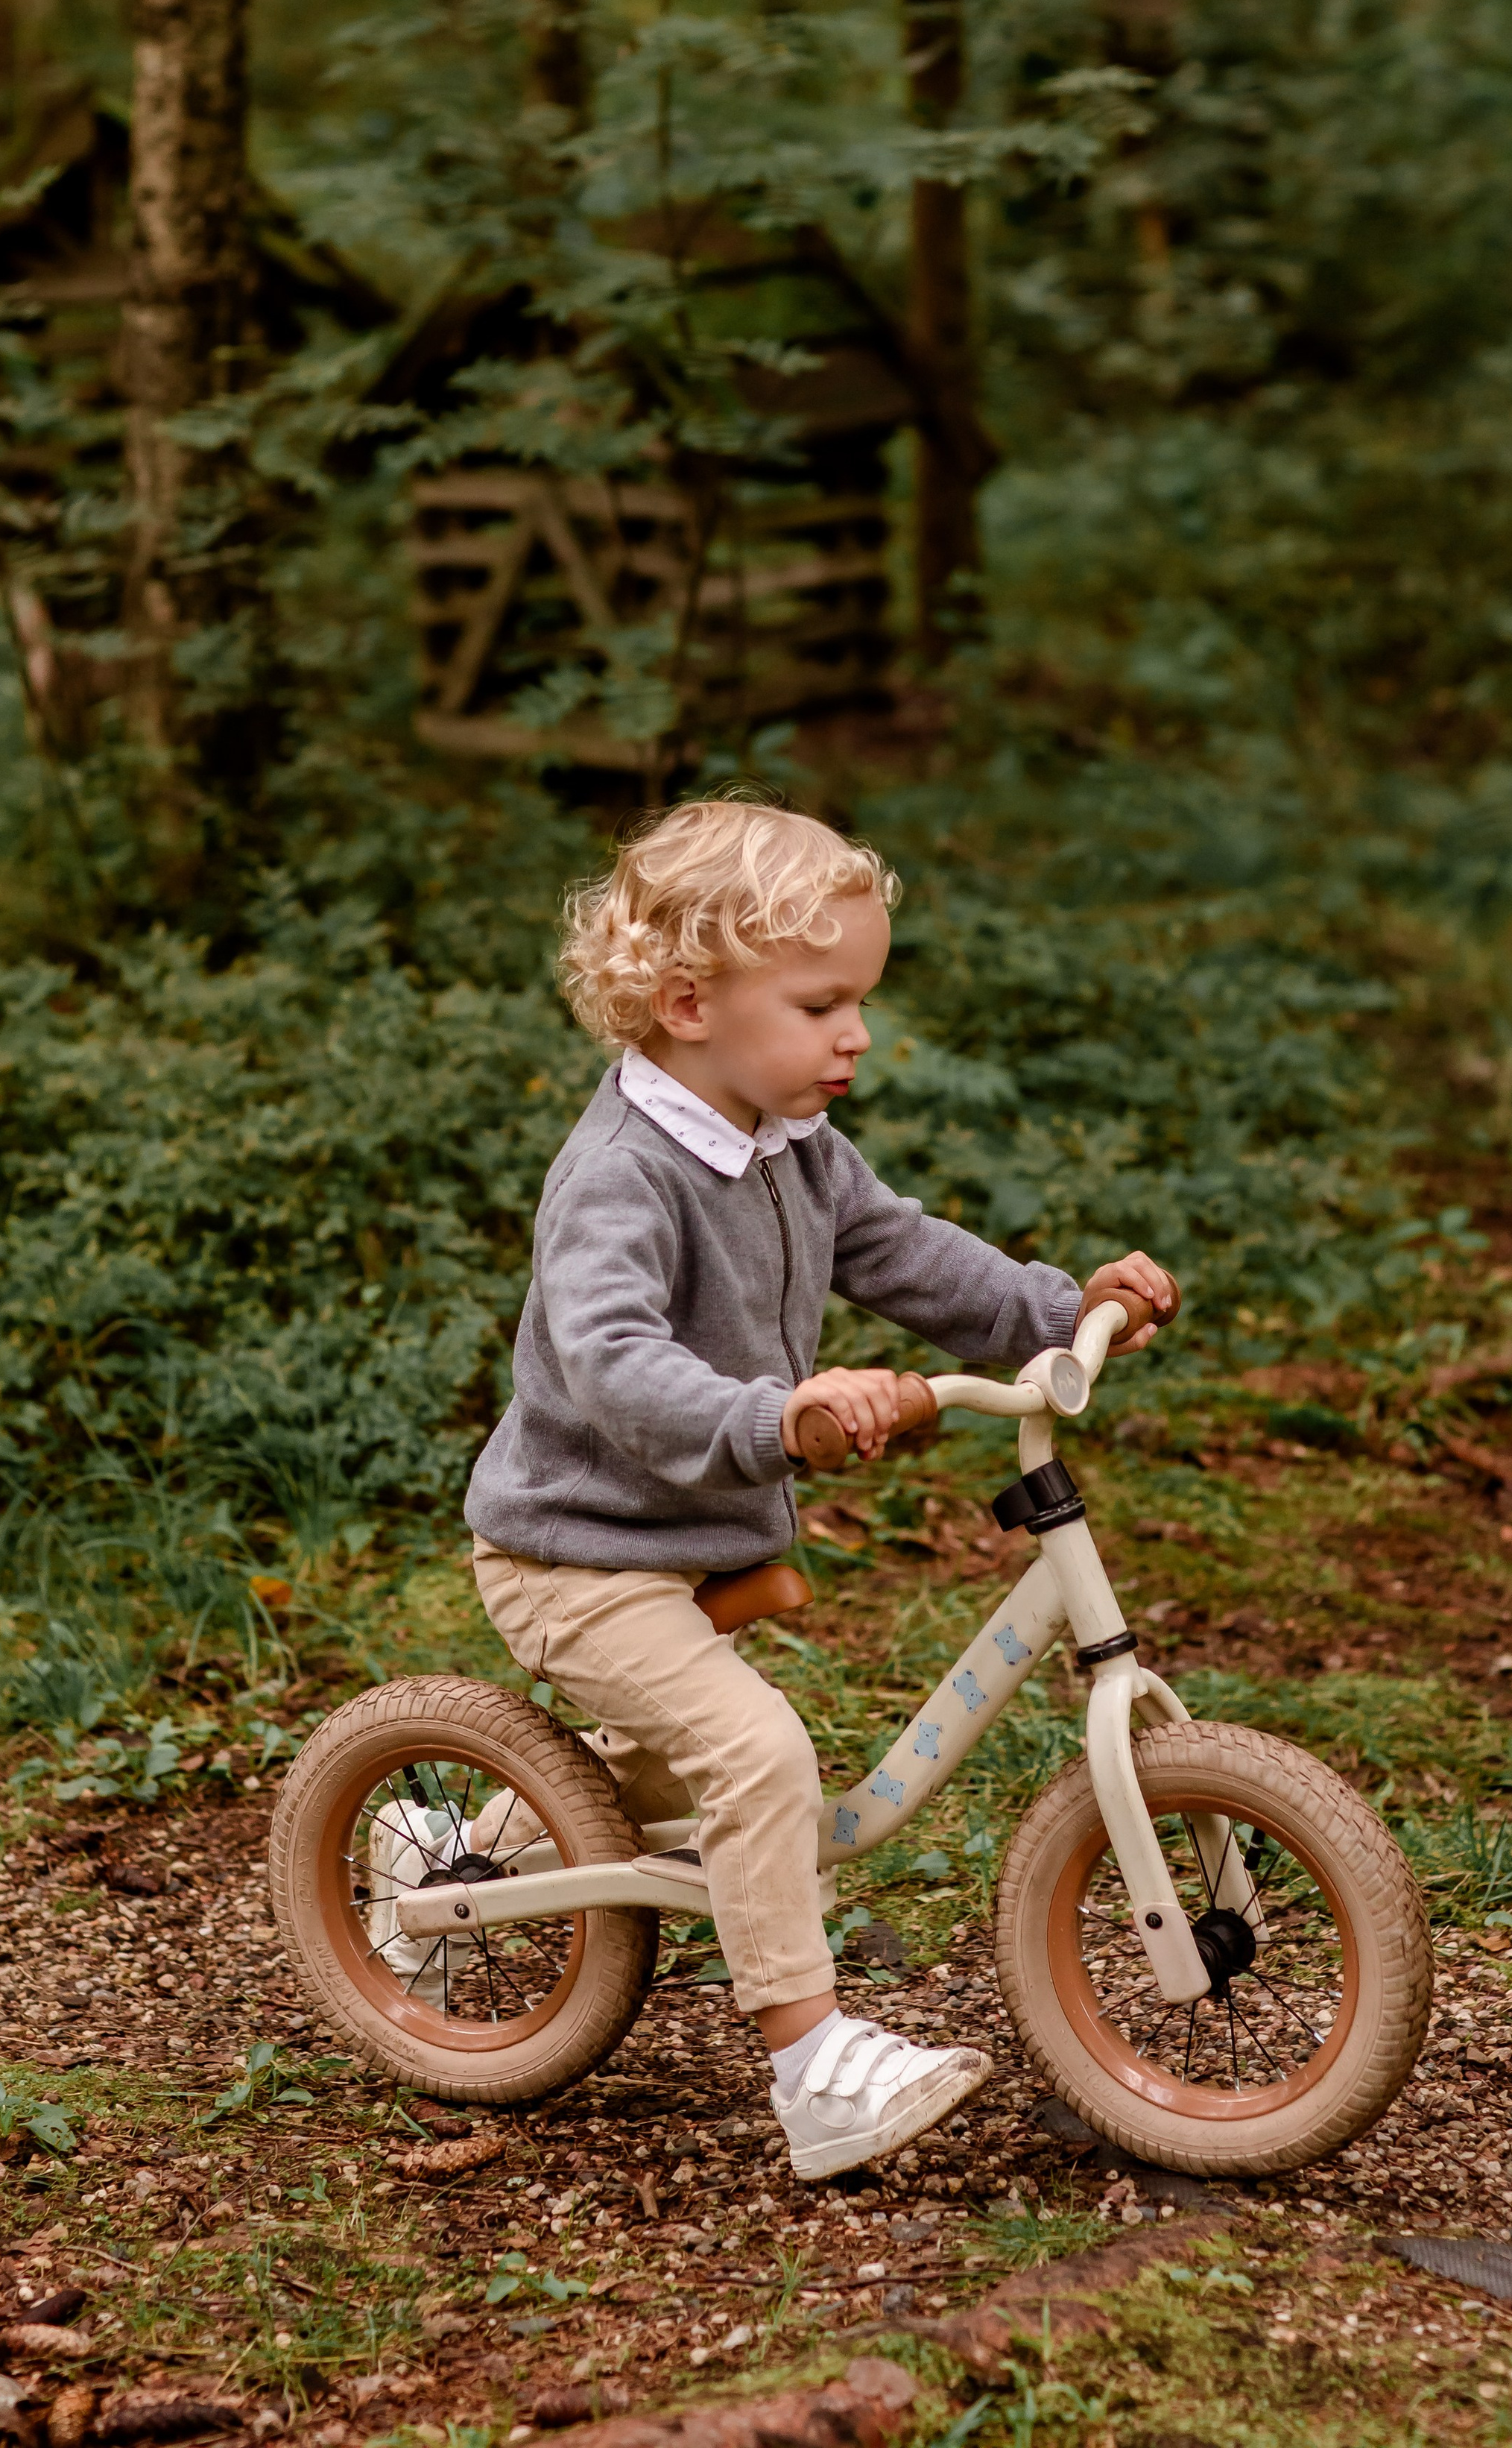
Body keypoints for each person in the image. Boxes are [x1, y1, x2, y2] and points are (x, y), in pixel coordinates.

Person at [465, 800, 1177, 2178]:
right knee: (754, 1754)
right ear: (687, 1005)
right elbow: (610, 1364)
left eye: (861, 1000)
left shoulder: (792, 1143)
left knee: (645, 1769)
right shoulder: (620, 1178)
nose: (855, 1035)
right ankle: (812, 2070)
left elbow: (906, 1255)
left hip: (687, 1533)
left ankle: (467, 1853)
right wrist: (773, 1415)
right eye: (821, 1003)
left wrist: (1056, 1309)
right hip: (582, 1553)